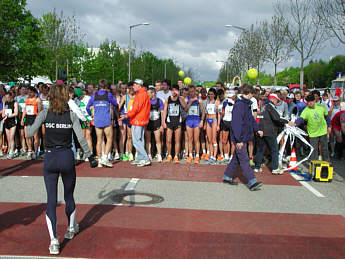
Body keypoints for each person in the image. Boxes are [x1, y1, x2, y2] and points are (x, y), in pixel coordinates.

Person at [26, 83, 97, 255]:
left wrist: (29, 124)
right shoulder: (71, 115)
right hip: (66, 157)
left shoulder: (44, 113)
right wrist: (90, 156)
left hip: (50, 158)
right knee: (68, 195)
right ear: (66, 97)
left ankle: (54, 241)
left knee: (51, 199)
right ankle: (71, 228)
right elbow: (80, 139)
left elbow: (29, 133)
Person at [222, 85, 263, 191]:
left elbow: (251, 120)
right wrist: (239, 140)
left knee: (236, 159)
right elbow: (236, 124)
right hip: (240, 138)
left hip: (242, 137)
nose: (253, 97)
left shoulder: (245, 105)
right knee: (244, 159)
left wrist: (257, 129)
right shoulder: (240, 105)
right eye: (252, 95)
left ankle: (227, 176)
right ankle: (252, 181)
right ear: (248, 93)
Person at [289, 94, 331, 161]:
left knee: (324, 148)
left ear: (315, 101)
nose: (310, 103)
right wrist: (294, 123)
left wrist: (329, 126)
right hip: (313, 133)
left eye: (311, 101)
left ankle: (327, 163)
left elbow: (327, 117)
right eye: (308, 102)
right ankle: (315, 164)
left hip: (323, 131)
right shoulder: (306, 110)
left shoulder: (321, 107)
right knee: (314, 150)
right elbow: (301, 119)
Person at [86, 79, 118, 167]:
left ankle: (100, 160)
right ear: (106, 87)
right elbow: (115, 104)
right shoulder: (109, 95)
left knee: (99, 140)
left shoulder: (94, 95)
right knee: (109, 139)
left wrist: (92, 115)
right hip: (106, 120)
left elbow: (87, 107)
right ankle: (105, 158)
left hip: (97, 120)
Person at [119, 79, 151, 167]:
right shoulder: (143, 93)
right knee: (140, 140)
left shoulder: (140, 95)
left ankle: (145, 158)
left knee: (136, 141)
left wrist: (126, 115)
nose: (133, 86)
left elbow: (136, 108)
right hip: (141, 119)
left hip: (137, 120)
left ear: (139, 85)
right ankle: (141, 158)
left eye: (135, 85)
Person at [255, 94, 288, 174]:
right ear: (273, 99)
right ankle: (275, 168)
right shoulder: (270, 107)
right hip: (269, 131)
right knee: (274, 149)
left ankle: (257, 167)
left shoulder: (263, 107)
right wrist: (286, 121)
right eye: (276, 100)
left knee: (260, 149)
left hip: (261, 130)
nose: (277, 102)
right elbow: (276, 118)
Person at [162, 84, 185, 163]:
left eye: (175, 90)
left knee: (177, 140)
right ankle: (169, 155)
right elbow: (165, 111)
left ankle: (176, 156)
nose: (173, 92)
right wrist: (163, 122)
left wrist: (179, 96)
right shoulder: (168, 99)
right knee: (168, 140)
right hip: (169, 121)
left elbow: (185, 107)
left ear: (178, 91)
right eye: (172, 90)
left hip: (177, 121)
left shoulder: (180, 98)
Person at [184, 85, 205, 164]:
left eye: (192, 91)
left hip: (196, 120)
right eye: (190, 92)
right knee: (190, 139)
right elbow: (185, 109)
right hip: (189, 120)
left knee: (196, 139)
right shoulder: (187, 99)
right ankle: (190, 155)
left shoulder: (199, 100)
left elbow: (203, 111)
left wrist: (202, 121)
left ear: (195, 91)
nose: (191, 93)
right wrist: (191, 101)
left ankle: (197, 156)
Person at [21, 86, 42, 160]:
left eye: (31, 92)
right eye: (28, 92)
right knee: (27, 135)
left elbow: (39, 111)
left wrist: (38, 120)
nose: (29, 94)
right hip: (28, 118)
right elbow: (25, 110)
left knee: (35, 136)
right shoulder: (27, 100)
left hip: (34, 118)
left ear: (34, 92)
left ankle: (35, 152)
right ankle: (30, 150)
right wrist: (22, 119)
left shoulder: (37, 100)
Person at [145, 86, 164, 162]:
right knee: (148, 140)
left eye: (148, 93)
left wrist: (162, 125)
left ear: (153, 93)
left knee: (158, 140)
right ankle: (149, 155)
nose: (147, 95)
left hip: (157, 122)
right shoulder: (147, 101)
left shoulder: (159, 101)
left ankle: (159, 155)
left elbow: (162, 114)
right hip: (148, 123)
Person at [204, 88, 220, 165]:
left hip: (214, 120)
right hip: (208, 120)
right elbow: (206, 114)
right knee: (209, 139)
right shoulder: (207, 102)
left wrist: (218, 125)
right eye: (209, 94)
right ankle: (211, 155)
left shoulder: (216, 102)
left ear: (214, 95)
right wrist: (204, 123)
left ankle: (214, 156)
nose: (210, 95)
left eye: (212, 94)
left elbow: (219, 114)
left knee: (214, 140)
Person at [2, 91, 18, 158]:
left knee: (11, 137)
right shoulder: (5, 103)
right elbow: (3, 111)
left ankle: (11, 151)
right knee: (8, 138)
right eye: (6, 97)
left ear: (11, 96)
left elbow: (16, 113)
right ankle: (10, 149)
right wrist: (3, 115)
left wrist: (9, 116)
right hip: (6, 122)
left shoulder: (15, 103)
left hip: (12, 121)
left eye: (8, 97)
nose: (7, 98)